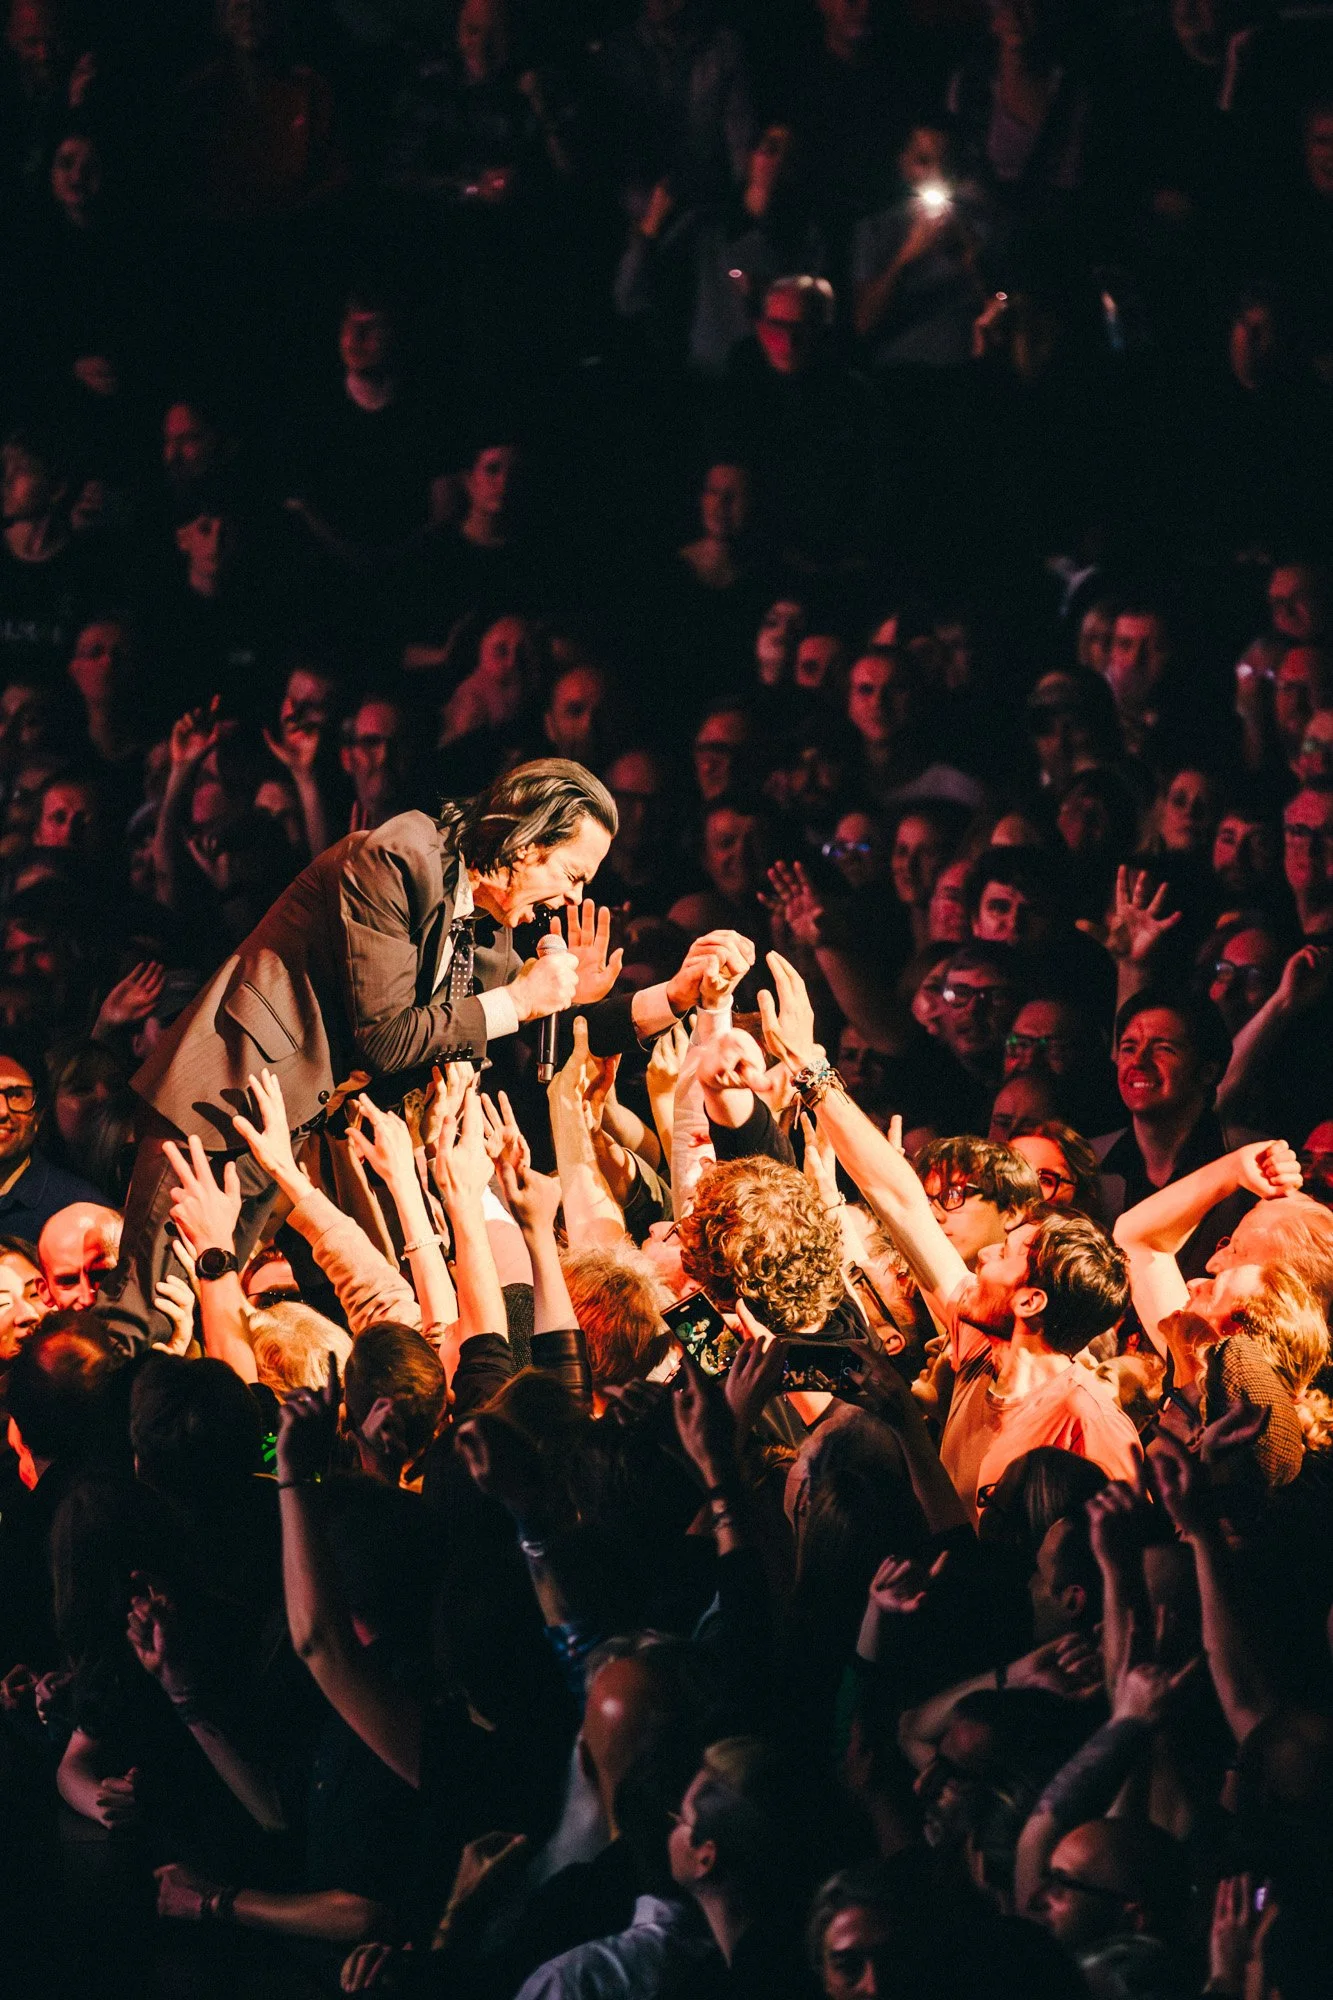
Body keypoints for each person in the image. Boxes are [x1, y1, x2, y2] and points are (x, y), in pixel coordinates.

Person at [102, 758, 755, 1344]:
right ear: (527, 842)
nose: (574, 896)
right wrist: (524, 1001)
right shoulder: (398, 857)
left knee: (195, 1315)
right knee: (148, 1313)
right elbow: (388, 1037)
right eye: (572, 872)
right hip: (225, 1097)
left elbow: (532, 1027)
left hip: (289, 1126)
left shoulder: (490, 926)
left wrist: (677, 995)